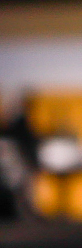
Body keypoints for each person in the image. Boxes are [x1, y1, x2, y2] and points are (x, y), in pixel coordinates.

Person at [0, 93, 40, 222]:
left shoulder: (19, 124)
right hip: (20, 160)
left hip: (21, 160)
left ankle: (23, 213)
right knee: (20, 188)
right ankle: (22, 213)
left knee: (22, 188)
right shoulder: (19, 124)